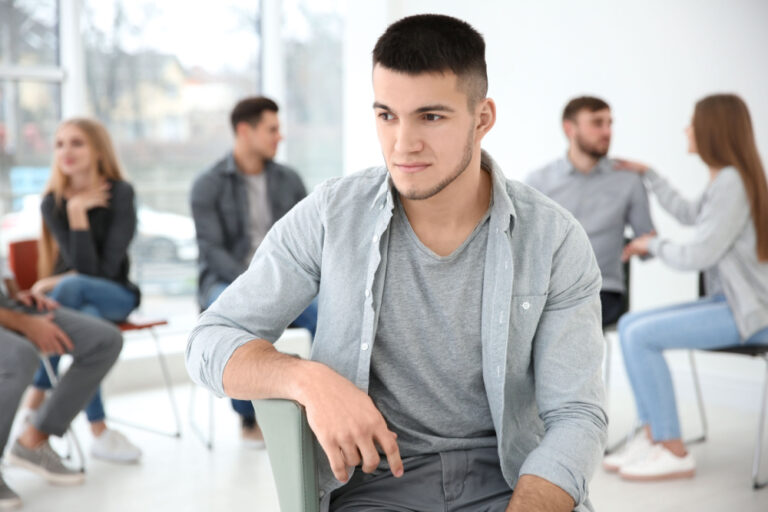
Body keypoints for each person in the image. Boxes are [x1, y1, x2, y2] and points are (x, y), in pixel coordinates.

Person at [187, 14, 606, 512]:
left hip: (512, 484)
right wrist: (307, 379)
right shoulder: (331, 215)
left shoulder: (554, 238)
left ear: (482, 118)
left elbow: (577, 414)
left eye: (430, 117)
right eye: (387, 115)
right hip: (374, 490)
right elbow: (209, 340)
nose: (403, 145)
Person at [604, 93, 768, 481]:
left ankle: (673, 449)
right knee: (630, 325)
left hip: (750, 313)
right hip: (730, 304)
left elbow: (698, 254)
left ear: (713, 129)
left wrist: (651, 245)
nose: (686, 130)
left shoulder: (732, 182)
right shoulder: (730, 179)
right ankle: (655, 436)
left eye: (692, 123)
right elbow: (690, 214)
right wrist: (650, 174)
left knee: (641, 334)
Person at [190, 96, 317, 444]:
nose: (280, 137)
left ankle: (329, 402)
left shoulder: (289, 180)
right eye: (272, 129)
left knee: (328, 312)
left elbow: (310, 240)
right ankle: (248, 419)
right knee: (233, 315)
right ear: (245, 131)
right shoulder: (208, 185)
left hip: (287, 280)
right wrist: (255, 285)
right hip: (227, 280)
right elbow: (211, 251)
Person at [23, 118, 142, 464]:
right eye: (59, 144)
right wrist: (73, 209)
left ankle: (35, 398)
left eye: (76, 143)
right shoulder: (52, 203)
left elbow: (100, 272)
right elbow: (82, 270)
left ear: (97, 150)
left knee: (73, 287)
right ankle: (99, 431)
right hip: (82, 305)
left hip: (118, 295)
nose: (66, 152)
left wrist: (78, 215)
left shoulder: (121, 194)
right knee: (87, 323)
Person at [0, 255, 123, 509]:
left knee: (104, 340)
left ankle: (34, 439)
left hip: (7, 306)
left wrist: (15, 297)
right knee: (20, 357)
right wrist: (24, 323)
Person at [526, 97, 655, 326]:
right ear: (570, 129)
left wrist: (646, 245)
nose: (607, 132)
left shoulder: (628, 181)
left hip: (603, 291)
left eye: (609, 123)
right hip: (548, 291)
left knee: (561, 323)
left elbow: (648, 246)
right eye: (597, 123)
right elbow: (523, 245)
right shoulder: (539, 182)